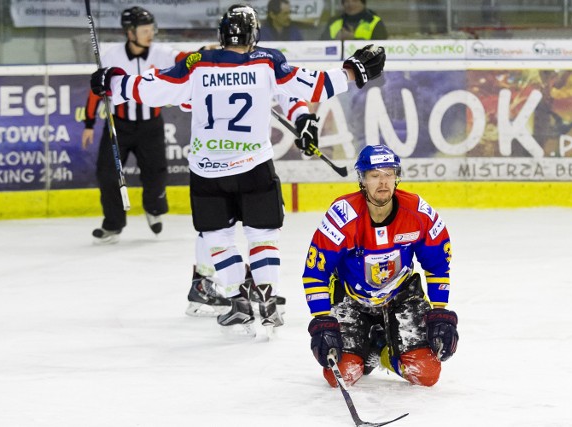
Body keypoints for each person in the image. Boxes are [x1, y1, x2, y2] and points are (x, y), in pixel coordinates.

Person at [90, 4, 386, 334]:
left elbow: (150, 87)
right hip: (253, 167)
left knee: (217, 238)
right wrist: (353, 72)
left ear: (221, 34)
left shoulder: (197, 64)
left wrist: (112, 82)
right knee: (262, 236)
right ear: (253, 34)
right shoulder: (267, 62)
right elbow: (314, 85)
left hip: (207, 171)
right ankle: (268, 297)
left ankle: (238, 299)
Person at [304, 144, 459, 387]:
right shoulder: (342, 216)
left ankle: (385, 351)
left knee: (426, 374)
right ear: (362, 180)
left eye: (389, 174)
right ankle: (372, 344)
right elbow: (315, 273)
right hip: (351, 298)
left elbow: (438, 264)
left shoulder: (418, 213)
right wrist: (323, 320)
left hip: (402, 296)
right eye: (375, 175)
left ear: (397, 177)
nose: (383, 182)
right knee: (340, 375)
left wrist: (439, 311)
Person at [83, 6, 187, 244]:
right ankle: (113, 224)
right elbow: (96, 89)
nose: (150, 34)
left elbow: (187, 59)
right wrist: (89, 123)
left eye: (151, 29)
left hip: (151, 125)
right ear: (130, 33)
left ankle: (153, 208)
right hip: (118, 126)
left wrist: (207, 55)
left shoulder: (161, 52)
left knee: (155, 172)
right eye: (144, 30)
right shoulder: (111, 56)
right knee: (107, 173)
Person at [320, 0, 388, 41]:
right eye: (346, 1)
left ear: (363, 3)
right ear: (342, 4)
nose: (350, 4)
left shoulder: (374, 21)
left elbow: (380, 48)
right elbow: (320, 45)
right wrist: (336, 41)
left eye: (354, 1)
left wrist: (353, 40)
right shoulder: (333, 22)